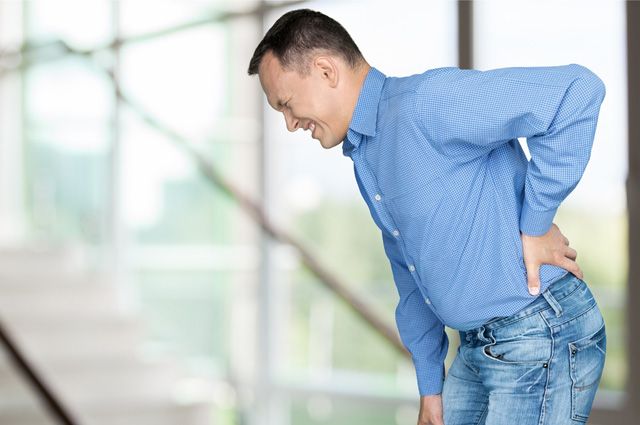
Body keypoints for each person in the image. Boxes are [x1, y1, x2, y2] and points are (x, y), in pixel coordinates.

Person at [247, 8, 607, 425]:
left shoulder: (426, 103)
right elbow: (411, 276)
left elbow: (577, 92)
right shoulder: (367, 155)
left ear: (326, 71)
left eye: (287, 104)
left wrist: (536, 223)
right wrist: (430, 386)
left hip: (536, 329)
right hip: (476, 345)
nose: (290, 124)